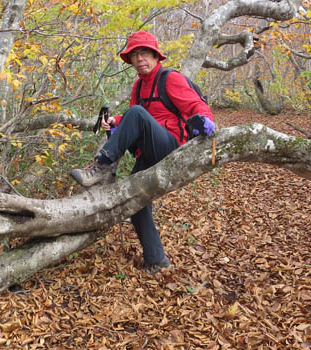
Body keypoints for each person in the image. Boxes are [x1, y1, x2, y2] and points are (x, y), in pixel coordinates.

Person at [70, 31, 215, 274]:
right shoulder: (139, 85)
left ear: (156, 56)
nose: (140, 59)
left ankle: (101, 165)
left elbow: (195, 105)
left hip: (172, 148)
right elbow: (134, 117)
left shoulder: (171, 79)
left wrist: (206, 120)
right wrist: (115, 121)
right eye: (135, 55)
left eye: (145, 53)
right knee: (135, 203)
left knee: (136, 112)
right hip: (149, 151)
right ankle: (157, 261)